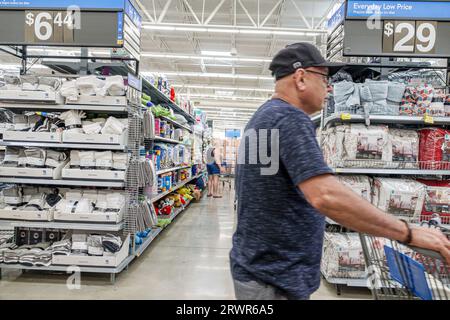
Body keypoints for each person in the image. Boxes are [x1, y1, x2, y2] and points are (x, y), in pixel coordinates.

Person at [229, 42, 450, 300]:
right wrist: (408, 232)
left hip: (258, 270)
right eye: (324, 78)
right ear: (301, 78)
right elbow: (326, 196)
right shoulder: (290, 119)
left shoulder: (262, 118)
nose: (330, 87)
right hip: (274, 280)